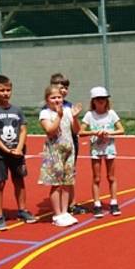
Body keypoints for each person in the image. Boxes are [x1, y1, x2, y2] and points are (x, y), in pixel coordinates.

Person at [0, 75, 36, 231]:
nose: (5, 93)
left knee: (19, 180)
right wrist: (5, 149)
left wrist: (18, 148)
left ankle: (22, 210)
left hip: (17, 153)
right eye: (2, 90)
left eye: (8, 90)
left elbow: (23, 129)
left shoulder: (17, 110)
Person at [39, 85, 81, 227]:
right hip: (54, 151)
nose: (57, 100)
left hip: (69, 150)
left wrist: (74, 118)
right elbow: (50, 130)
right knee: (56, 184)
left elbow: (76, 130)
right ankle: (57, 214)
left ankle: (64, 211)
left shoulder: (68, 110)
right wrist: (59, 115)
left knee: (67, 183)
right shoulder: (45, 113)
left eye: (59, 97)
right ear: (47, 100)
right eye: (53, 97)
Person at [80, 86, 124, 218]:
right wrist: (94, 132)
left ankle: (114, 202)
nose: (101, 101)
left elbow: (121, 130)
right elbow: (81, 132)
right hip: (96, 149)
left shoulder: (111, 114)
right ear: (93, 101)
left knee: (111, 177)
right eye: (98, 99)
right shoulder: (89, 115)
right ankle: (97, 204)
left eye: (103, 99)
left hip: (109, 148)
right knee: (96, 178)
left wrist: (108, 133)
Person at [50, 73, 86, 216]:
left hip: (71, 142)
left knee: (70, 174)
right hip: (57, 145)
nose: (63, 90)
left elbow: (76, 128)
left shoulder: (70, 106)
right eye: (60, 87)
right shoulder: (49, 107)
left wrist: (75, 118)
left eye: (66, 88)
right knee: (58, 177)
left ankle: (71, 203)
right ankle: (60, 206)